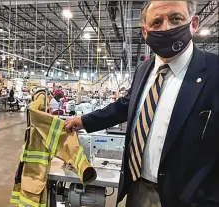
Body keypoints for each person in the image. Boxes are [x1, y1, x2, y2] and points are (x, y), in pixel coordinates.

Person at [65, 1, 219, 207]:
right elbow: (125, 105)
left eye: (176, 18)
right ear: (146, 32)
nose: (166, 28)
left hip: (187, 197)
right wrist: (84, 121)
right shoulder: (144, 69)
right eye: (157, 22)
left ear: (194, 23)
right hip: (137, 188)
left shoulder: (214, 71)